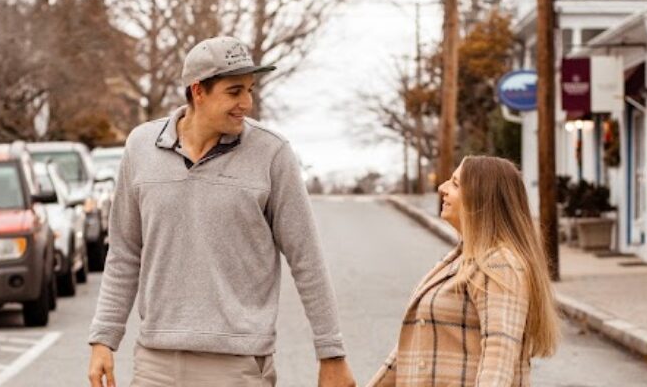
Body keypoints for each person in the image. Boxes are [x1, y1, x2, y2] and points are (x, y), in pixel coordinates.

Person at [87, 36, 356, 387]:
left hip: (239, 366)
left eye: (250, 90)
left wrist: (331, 353)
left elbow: (307, 260)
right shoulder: (141, 147)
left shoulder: (272, 154)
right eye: (234, 91)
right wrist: (103, 339)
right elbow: (124, 253)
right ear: (198, 91)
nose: (246, 102)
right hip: (156, 363)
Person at [368, 156, 560, 387]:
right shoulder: (462, 258)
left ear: (482, 199)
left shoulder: (500, 264)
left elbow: (498, 359)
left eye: (455, 184)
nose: (442, 188)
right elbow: (410, 350)